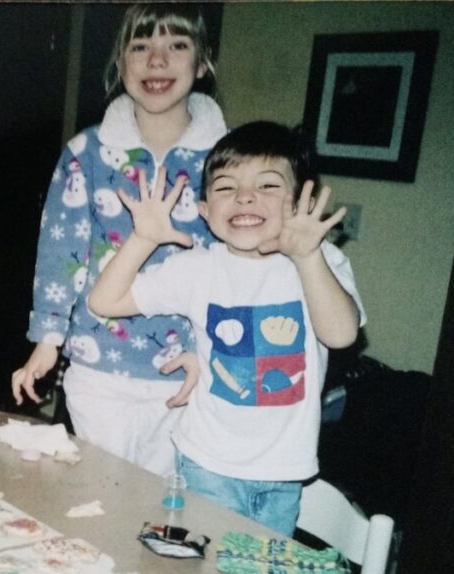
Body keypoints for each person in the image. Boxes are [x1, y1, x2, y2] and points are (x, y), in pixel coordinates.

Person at [88, 120, 365, 536]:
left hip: (285, 472)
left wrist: (308, 257)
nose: (245, 196)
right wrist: (144, 239)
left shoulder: (319, 261)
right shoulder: (198, 267)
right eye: (225, 187)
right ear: (204, 210)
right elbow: (104, 301)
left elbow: (341, 334)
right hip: (206, 466)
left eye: (268, 186)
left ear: (299, 202)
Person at [11, 3, 227, 478]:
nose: (157, 60)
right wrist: (48, 340)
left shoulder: (225, 160)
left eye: (177, 46)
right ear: (120, 62)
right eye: (140, 45)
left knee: (162, 512)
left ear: (203, 62)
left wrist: (217, 353)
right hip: (98, 366)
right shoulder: (87, 152)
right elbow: (60, 251)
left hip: (187, 370)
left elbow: (233, 265)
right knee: (97, 496)